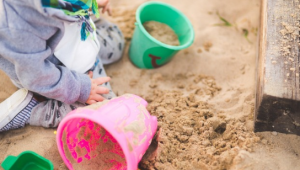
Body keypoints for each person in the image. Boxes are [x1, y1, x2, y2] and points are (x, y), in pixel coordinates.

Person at [0, 0, 124, 132]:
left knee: (116, 43)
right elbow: (37, 77)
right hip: (55, 76)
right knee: (104, 108)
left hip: (76, 37)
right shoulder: (18, 25)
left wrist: (88, 4)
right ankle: (34, 110)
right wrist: (80, 88)